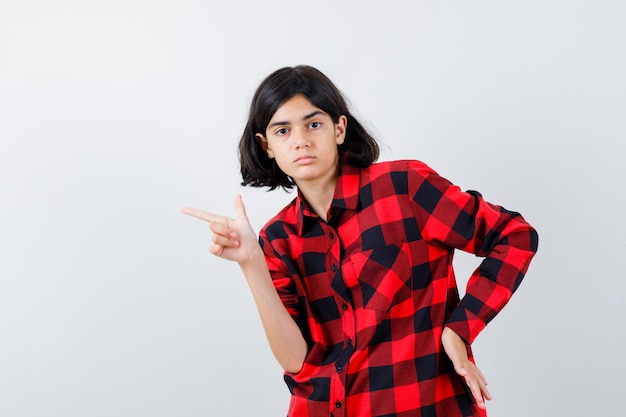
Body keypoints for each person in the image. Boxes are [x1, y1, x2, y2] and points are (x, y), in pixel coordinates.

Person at [182, 65, 538, 417]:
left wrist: (459, 330)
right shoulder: (278, 238)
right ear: (267, 146)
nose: (301, 140)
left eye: (314, 124)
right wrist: (251, 263)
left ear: (339, 128)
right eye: (282, 131)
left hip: (425, 404)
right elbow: (295, 360)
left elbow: (514, 236)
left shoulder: (404, 188)